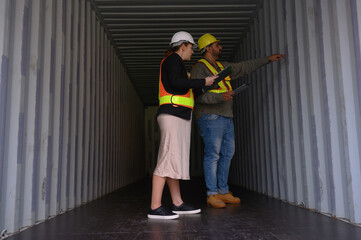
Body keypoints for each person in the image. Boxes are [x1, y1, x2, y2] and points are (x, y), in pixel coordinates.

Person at [191, 33, 285, 208]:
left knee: (228, 153)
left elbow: (244, 67)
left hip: (226, 116)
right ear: (208, 48)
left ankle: (223, 191)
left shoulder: (222, 66)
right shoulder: (199, 68)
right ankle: (212, 194)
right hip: (210, 116)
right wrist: (221, 98)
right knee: (213, 155)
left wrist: (268, 59)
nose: (220, 47)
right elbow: (198, 96)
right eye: (217, 45)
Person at [148, 31, 218, 219]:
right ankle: (155, 206)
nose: (193, 52)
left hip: (177, 114)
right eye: (192, 47)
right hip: (172, 114)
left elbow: (181, 85)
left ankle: (177, 202)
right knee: (166, 158)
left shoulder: (176, 63)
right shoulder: (173, 59)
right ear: (183, 45)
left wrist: (204, 85)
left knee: (173, 159)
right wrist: (203, 80)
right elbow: (176, 82)